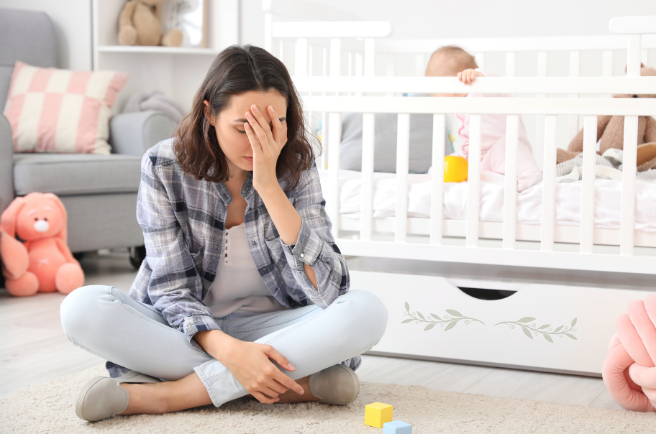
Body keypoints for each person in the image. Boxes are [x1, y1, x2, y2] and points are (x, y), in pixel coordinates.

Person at [60, 45, 388, 422]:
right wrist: (231, 352)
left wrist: (269, 187)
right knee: (80, 309)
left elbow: (330, 289)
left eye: (273, 125)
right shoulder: (164, 165)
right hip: (189, 333)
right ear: (208, 114)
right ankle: (294, 383)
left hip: (277, 326)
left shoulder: (297, 164)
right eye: (244, 128)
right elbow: (170, 290)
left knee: (367, 312)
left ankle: (170, 395)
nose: (259, 143)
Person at [426, 45, 542, 191]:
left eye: (439, 98)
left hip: (505, 156)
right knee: (444, 163)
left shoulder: (482, 89)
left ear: (451, 88)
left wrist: (478, 76)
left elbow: (494, 80)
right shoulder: (460, 108)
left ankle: (530, 173)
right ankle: (431, 177)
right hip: (478, 160)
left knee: (506, 145)